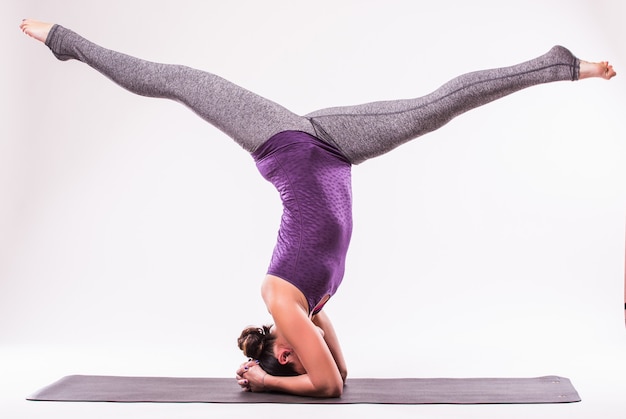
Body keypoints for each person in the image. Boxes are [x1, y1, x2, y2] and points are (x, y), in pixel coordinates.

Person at [19, 19, 615, 398]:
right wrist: (285, 369)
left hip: (283, 141)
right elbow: (341, 374)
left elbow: (326, 385)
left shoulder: (281, 298)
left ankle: (66, 42)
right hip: (333, 149)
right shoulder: (313, 305)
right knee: (438, 108)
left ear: (286, 350)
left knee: (176, 79)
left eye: (296, 354)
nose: (317, 348)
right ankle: (556, 65)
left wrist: (267, 384)